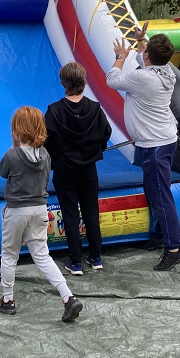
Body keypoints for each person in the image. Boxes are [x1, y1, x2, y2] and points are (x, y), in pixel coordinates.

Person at [106, 24, 180, 271]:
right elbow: (148, 58)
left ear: (149, 56)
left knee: (161, 196)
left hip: (154, 145)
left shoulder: (142, 78)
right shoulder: (167, 72)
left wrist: (120, 57)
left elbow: (112, 80)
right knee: (156, 192)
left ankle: (174, 248)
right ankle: (159, 235)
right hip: (164, 140)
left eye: (145, 50)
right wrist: (142, 40)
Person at [0, 106, 83, 323]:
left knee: (9, 255)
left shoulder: (12, 155)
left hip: (16, 211)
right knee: (42, 255)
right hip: (40, 209)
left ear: (16, 130)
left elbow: (2, 171)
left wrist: (14, 146)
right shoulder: (45, 154)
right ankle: (68, 296)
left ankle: (8, 300)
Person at [44, 62, 111, 275]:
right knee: (91, 212)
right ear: (83, 81)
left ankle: (75, 261)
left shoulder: (54, 111)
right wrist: (93, 151)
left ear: (63, 82)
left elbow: (47, 141)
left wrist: (56, 157)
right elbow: (105, 134)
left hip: (64, 171)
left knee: (70, 214)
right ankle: (96, 256)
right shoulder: (95, 108)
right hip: (88, 170)